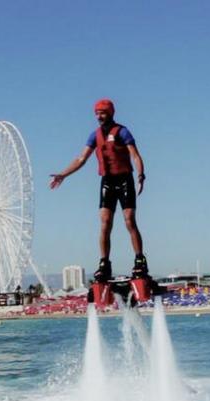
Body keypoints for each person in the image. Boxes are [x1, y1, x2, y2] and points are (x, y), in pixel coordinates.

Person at [50, 99, 148, 282]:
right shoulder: (94, 136)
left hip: (125, 179)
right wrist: (63, 174)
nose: (99, 116)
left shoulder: (122, 131)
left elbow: (135, 155)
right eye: (97, 113)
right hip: (107, 181)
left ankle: (139, 259)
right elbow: (81, 159)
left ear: (110, 113)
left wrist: (141, 176)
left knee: (129, 220)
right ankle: (104, 262)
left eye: (102, 113)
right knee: (105, 222)